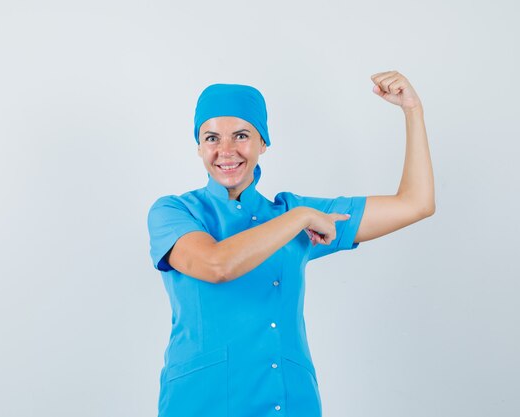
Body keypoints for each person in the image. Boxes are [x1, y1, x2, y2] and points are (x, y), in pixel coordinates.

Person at [147, 71, 435, 417]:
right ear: (198, 146)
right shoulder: (175, 211)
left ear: (262, 144)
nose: (225, 151)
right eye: (211, 138)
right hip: (200, 404)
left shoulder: (292, 212)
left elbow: (416, 203)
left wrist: (413, 111)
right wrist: (299, 219)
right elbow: (215, 265)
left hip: (288, 402)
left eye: (241, 135)